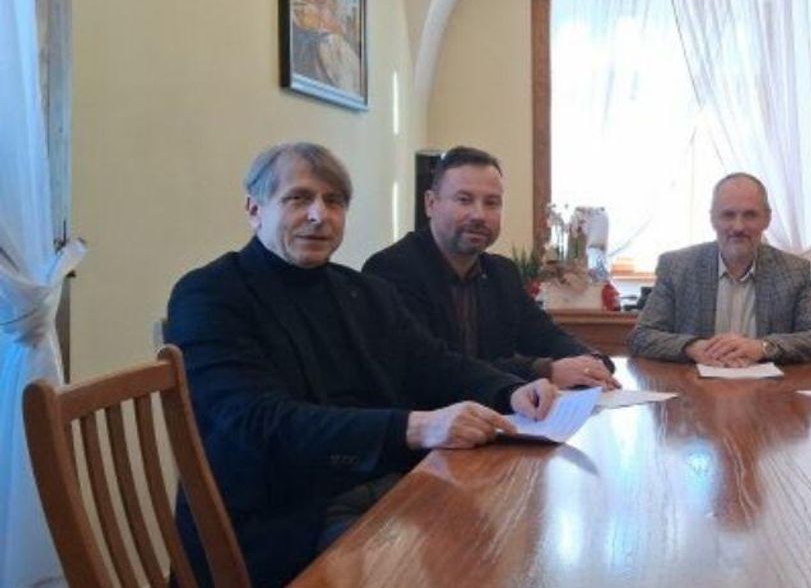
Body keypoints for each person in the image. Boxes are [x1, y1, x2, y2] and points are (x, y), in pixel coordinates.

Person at [165, 143, 558, 588]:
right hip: (283, 518)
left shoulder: (363, 292)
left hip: (382, 487)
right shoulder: (210, 294)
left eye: (334, 201)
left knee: (512, 532)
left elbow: (431, 362)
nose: (319, 215)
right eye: (299, 198)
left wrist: (509, 390)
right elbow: (257, 423)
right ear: (255, 210)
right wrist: (414, 427)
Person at [364, 146, 617, 390]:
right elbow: (432, 369)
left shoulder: (502, 273)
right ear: (431, 204)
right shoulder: (391, 270)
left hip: (503, 413)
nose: (479, 215)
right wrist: (544, 371)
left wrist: (590, 361)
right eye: (464, 200)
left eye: (492, 203)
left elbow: (544, 335)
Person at [627, 172, 811, 365]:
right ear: (713, 219)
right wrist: (692, 347)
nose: (738, 227)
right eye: (728, 215)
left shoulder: (794, 271)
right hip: (694, 388)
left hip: (768, 389)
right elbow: (641, 337)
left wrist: (763, 348)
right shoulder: (676, 267)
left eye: (750, 215)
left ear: (767, 219)